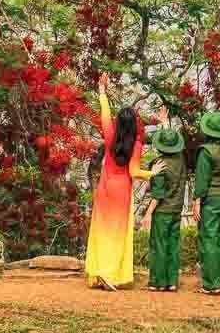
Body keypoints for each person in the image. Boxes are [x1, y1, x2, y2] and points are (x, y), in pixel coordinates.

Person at [84, 73, 150, 290]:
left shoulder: (110, 133)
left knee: (101, 230)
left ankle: (97, 273)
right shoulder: (137, 144)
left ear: (118, 123)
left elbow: (104, 113)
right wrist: (154, 174)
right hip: (122, 190)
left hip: (105, 188)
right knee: (117, 233)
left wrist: (102, 90)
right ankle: (110, 275)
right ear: (134, 126)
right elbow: (134, 171)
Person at [192, 102, 220, 294]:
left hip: (210, 199)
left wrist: (196, 202)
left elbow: (202, 181)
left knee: (209, 239)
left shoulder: (206, 151)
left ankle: (211, 284)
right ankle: (219, 277)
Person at [141, 123, 187, 291]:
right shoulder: (181, 160)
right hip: (176, 210)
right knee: (173, 246)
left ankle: (158, 282)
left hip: (162, 211)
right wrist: (165, 124)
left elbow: (157, 195)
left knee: (159, 245)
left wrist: (148, 214)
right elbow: (172, 142)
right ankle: (172, 281)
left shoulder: (159, 164)